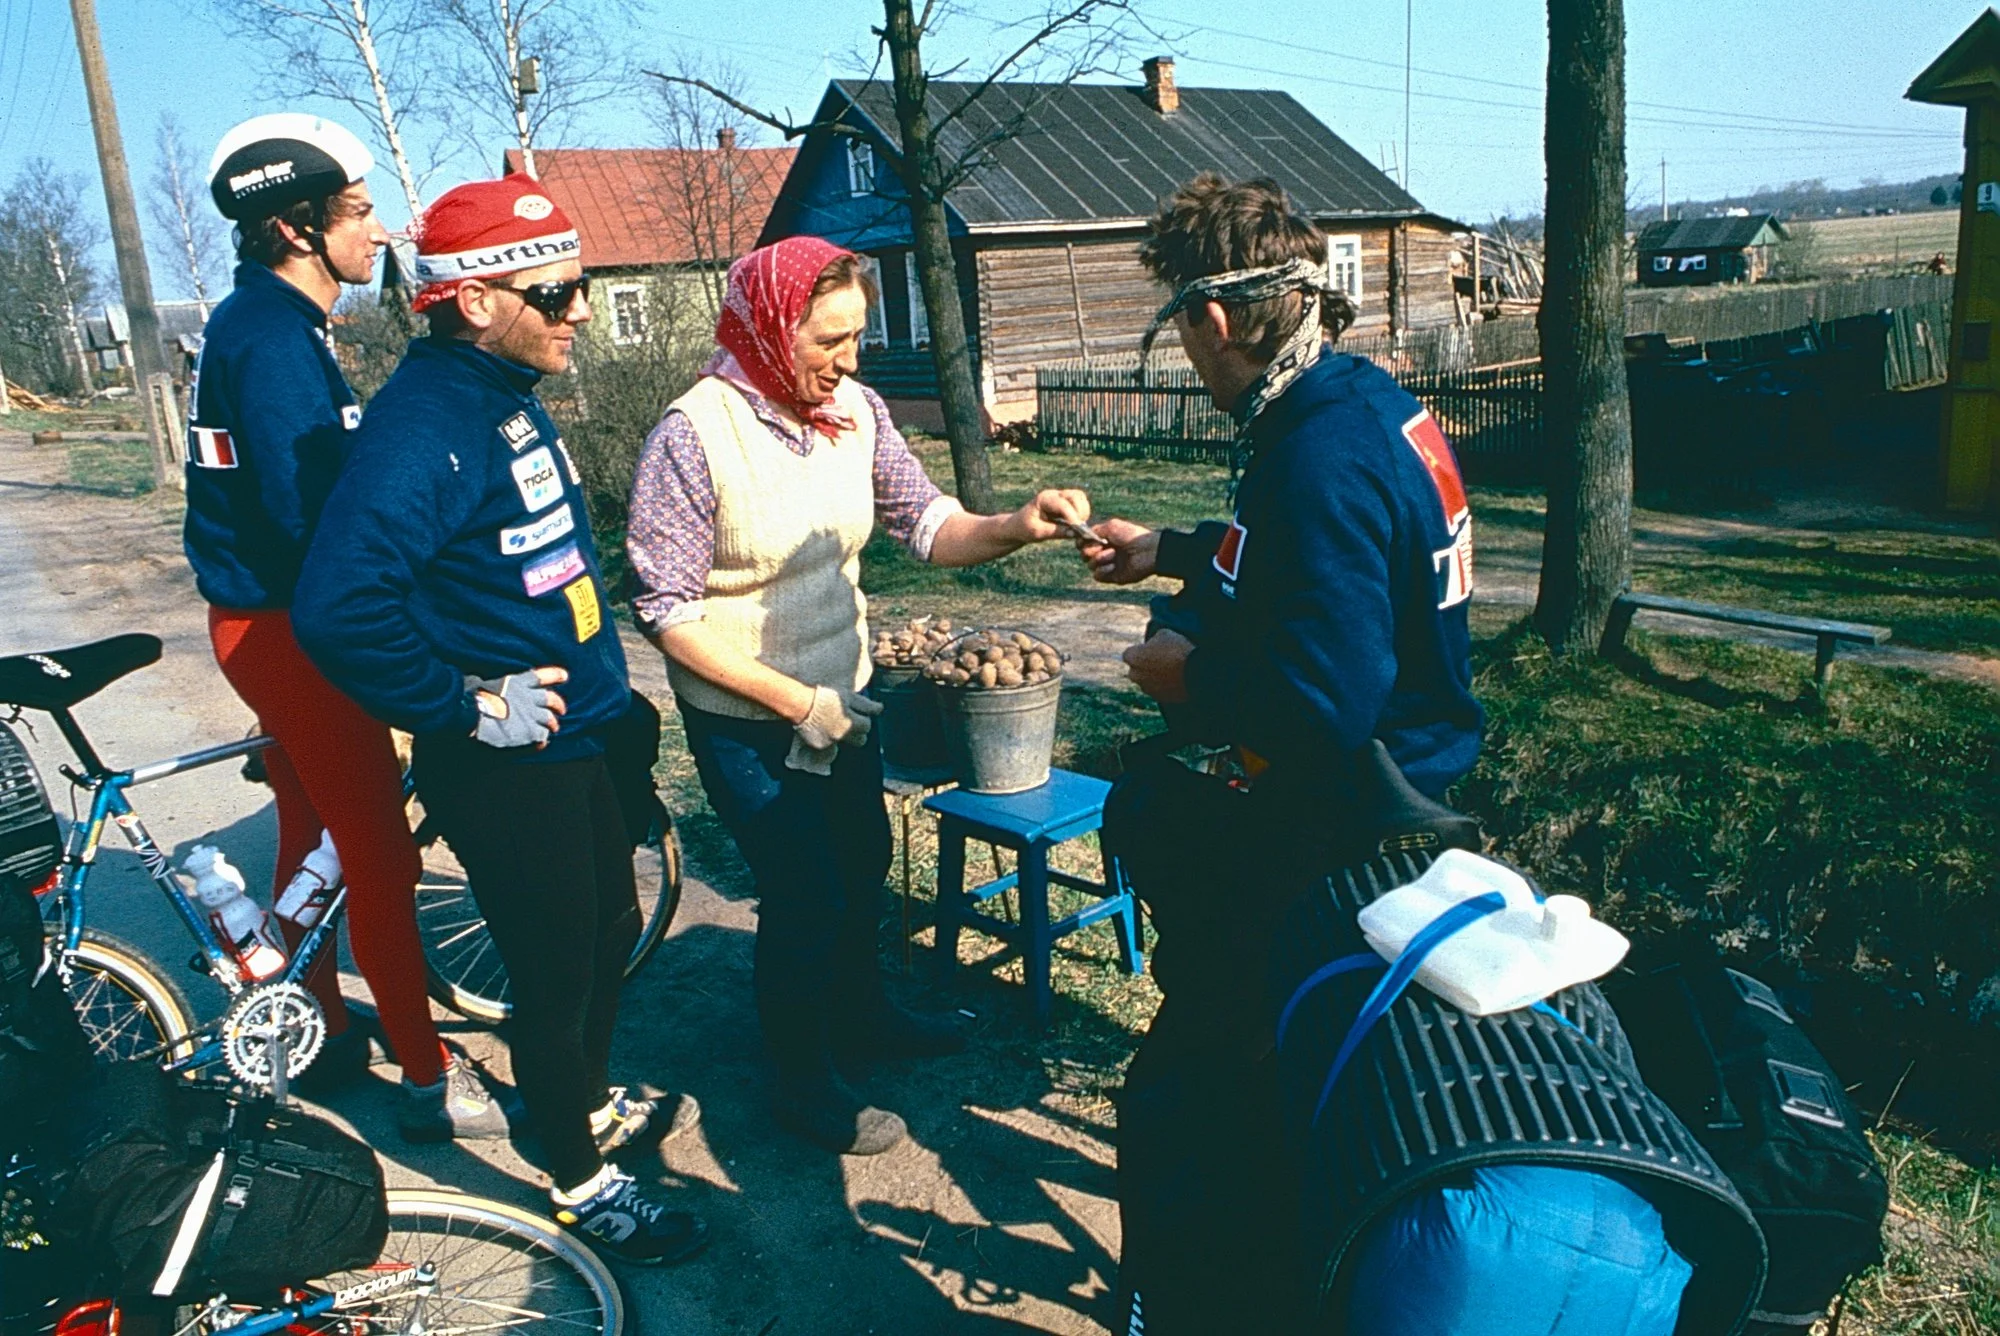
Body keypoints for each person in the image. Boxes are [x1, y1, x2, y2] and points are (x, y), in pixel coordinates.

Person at [1082, 176, 1691, 1335]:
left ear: (1214, 320)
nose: (1185, 356)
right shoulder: (1365, 408)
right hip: (1418, 789)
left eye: (1177, 326)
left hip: (1344, 815)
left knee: (1188, 1088)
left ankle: (1194, 1293)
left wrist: (1188, 679)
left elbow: (1323, 699)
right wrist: (1171, 550)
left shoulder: (1311, 455)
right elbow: (1313, 561)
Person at [292, 174, 705, 1265]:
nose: (578, 311)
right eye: (558, 291)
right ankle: (575, 1178)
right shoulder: (424, 422)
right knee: (556, 967)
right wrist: (462, 707)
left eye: (582, 286)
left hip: (580, 736)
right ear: (474, 300)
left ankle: (578, 1103)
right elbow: (338, 604)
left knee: (612, 930)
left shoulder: (501, 394)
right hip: (507, 759)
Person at [627, 236, 1091, 1156]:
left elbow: (927, 524)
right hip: (746, 720)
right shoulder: (692, 435)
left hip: (844, 698)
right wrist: (796, 705)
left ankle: (865, 1017)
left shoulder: (856, 411)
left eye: (857, 339)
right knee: (802, 890)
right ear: (769, 327)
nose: (846, 361)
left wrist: (1017, 525)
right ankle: (802, 1082)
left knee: (864, 856)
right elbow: (670, 617)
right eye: (827, 341)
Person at [184, 113, 504, 1138]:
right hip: (290, 630)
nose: (377, 231)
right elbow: (307, 520)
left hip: (258, 620)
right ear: (293, 227)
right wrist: (406, 614)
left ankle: (309, 1025)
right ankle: (424, 1072)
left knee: (308, 825)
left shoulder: (261, 323)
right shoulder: (275, 340)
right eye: (359, 214)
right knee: (379, 853)